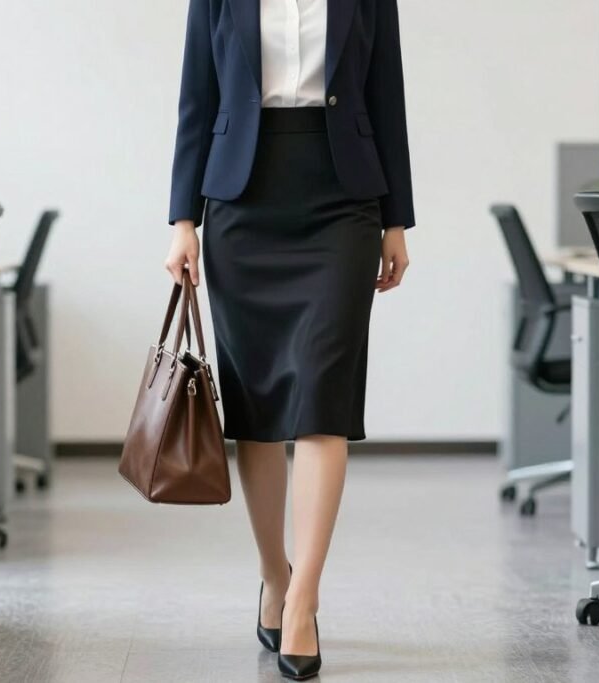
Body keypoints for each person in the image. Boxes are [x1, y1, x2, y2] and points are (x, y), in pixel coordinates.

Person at [165, 0, 414, 678]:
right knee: (260, 409)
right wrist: (182, 219)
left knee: (323, 394)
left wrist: (397, 221)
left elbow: (385, 93)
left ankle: (303, 598)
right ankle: (274, 574)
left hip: (343, 202)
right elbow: (198, 92)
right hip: (243, 204)